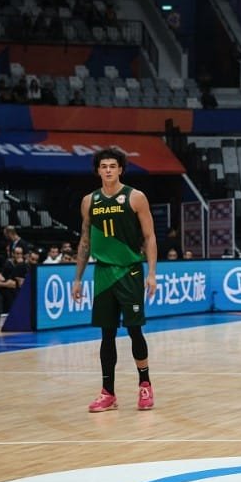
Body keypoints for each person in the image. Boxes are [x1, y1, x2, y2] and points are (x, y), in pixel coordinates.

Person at [72, 147, 158, 413]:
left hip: (130, 271)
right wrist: (77, 278)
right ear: (98, 171)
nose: (108, 170)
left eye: (112, 166)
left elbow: (150, 237)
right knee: (106, 334)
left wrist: (152, 273)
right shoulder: (89, 201)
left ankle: (145, 385)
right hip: (103, 273)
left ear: (120, 169)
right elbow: (85, 241)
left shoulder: (135, 197)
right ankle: (107, 392)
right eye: (104, 166)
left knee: (134, 331)